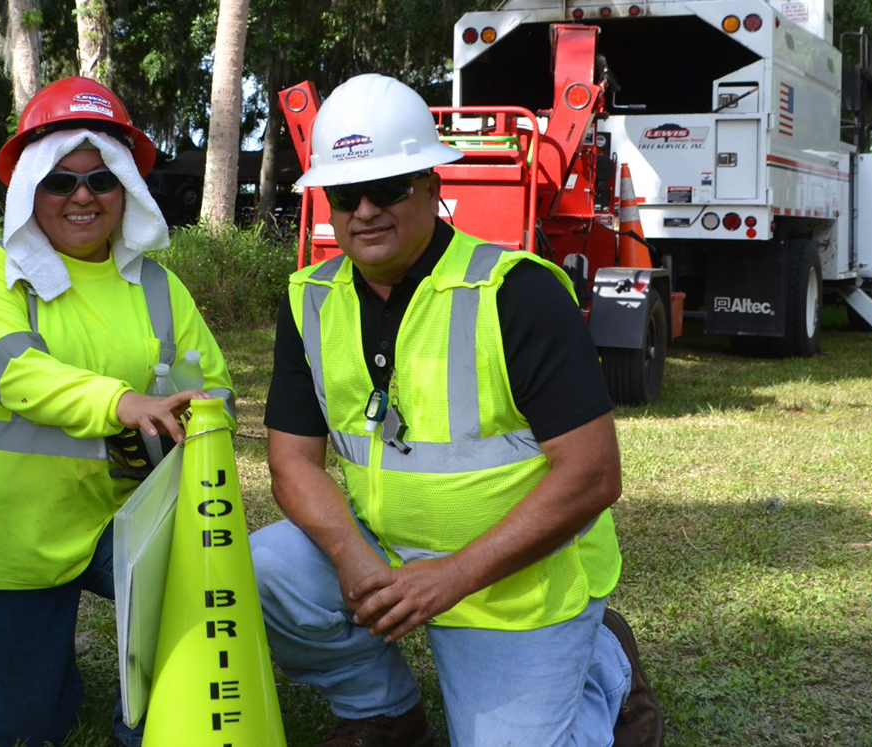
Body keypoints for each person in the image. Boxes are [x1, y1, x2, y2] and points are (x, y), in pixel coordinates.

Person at [249, 74, 660, 747]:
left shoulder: (518, 293)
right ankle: (380, 711)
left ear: (434, 185)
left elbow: (592, 474)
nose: (365, 210)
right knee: (266, 567)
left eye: (388, 188)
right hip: (382, 551)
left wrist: (454, 575)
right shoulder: (310, 300)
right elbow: (291, 461)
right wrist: (352, 557)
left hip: (511, 579)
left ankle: (605, 671)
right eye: (346, 193)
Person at [0, 76, 235, 747]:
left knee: (189, 641)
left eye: (102, 180)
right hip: (13, 533)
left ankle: (144, 719)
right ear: (29, 189)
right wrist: (124, 404)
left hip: (128, 522)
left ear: (126, 188)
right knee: (27, 728)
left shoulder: (157, 285)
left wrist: (197, 416)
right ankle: (51, 679)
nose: (83, 195)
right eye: (60, 181)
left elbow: (213, 384)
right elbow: (16, 374)